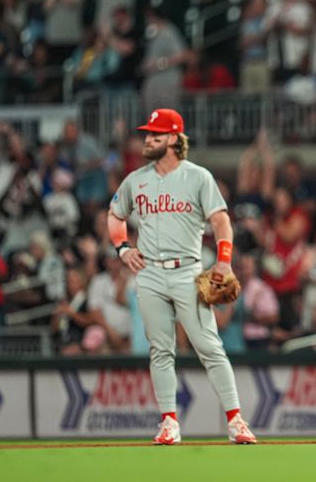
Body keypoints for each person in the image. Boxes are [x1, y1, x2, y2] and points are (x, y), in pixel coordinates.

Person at [107, 109, 256, 445]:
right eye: (147, 134)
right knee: (160, 349)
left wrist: (224, 261)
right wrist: (122, 249)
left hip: (188, 270)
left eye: (155, 135)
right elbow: (115, 215)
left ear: (174, 138)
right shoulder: (135, 179)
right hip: (149, 274)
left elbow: (220, 221)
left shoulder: (198, 177)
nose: (148, 140)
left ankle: (235, 421)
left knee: (209, 346)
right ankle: (169, 423)